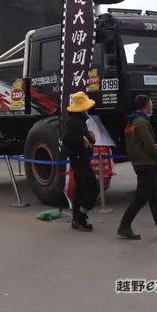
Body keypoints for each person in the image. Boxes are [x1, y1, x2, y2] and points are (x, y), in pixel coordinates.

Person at [118, 95, 157, 240]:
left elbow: (137, 143)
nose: (152, 106)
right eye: (151, 104)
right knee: (142, 197)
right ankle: (124, 225)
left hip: (140, 162)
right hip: (146, 164)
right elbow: (148, 147)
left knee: (154, 196)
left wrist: (153, 146)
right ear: (146, 106)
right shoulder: (142, 122)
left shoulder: (132, 121)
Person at [61, 92, 99, 232]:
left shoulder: (79, 120)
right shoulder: (73, 121)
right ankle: (81, 216)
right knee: (93, 187)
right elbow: (67, 139)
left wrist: (89, 138)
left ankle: (77, 217)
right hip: (78, 158)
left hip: (80, 157)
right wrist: (82, 139)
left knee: (82, 188)